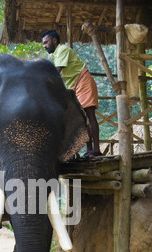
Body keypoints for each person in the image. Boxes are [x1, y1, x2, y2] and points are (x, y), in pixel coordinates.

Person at [42, 29, 102, 158]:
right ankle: (89, 150)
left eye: (46, 42)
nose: (45, 46)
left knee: (89, 115)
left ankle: (96, 150)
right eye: (43, 44)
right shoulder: (54, 55)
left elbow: (57, 73)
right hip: (74, 86)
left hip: (83, 81)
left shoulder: (62, 50)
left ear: (54, 40)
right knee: (82, 119)